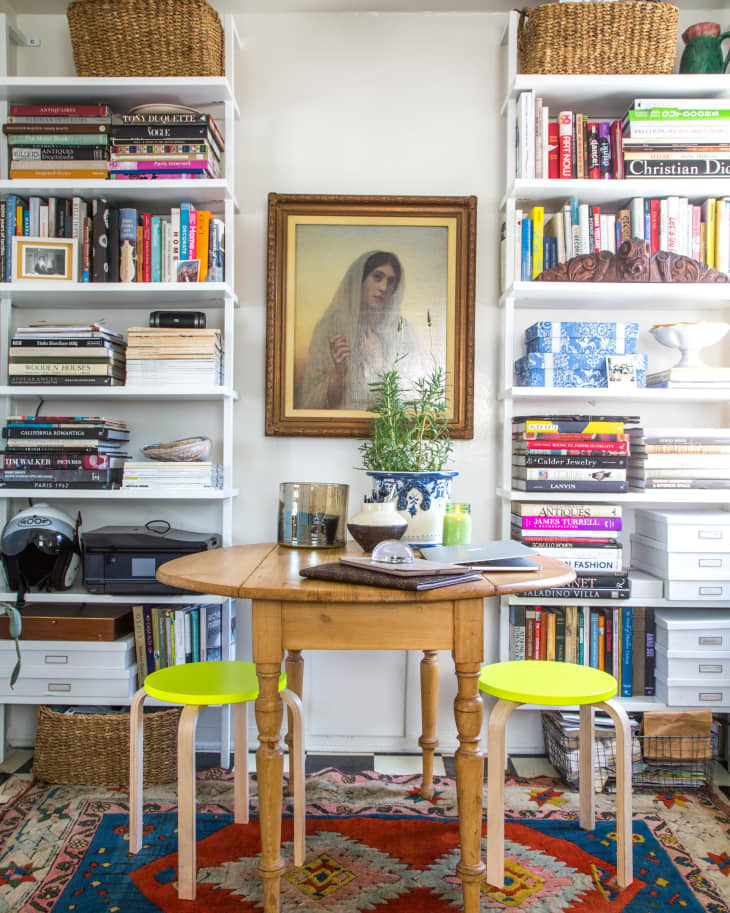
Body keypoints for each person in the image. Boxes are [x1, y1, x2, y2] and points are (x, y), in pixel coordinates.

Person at [296, 250, 424, 411]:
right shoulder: (328, 328)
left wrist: (380, 364)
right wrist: (337, 374)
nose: (384, 287)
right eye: (377, 277)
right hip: (337, 430)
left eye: (391, 281)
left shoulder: (403, 331)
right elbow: (308, 402)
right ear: (360, 280)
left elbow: (415, 400)